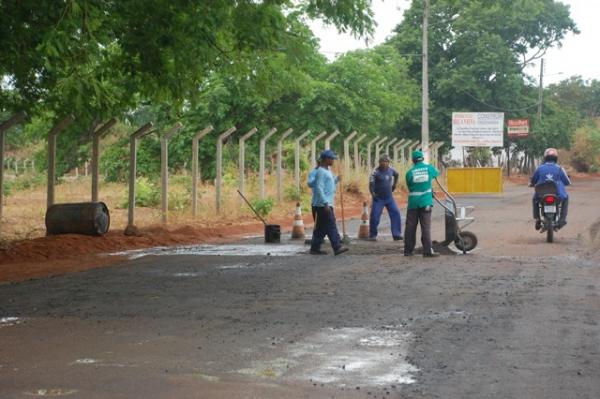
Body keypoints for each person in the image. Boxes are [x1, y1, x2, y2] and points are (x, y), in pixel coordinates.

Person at [309, 149, 349, 256]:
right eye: (331, 159)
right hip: (323, 205)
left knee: (321, 228)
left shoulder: (327, 171)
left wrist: (336, 180)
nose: (333, 161)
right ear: (326, 159)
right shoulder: (321, 172)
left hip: (325, 203)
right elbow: (319, 188)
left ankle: (314, 248)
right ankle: (337, 247)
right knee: (331, 224)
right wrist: (326, 203)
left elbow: (328, 185)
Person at [404, 149, 440, 257]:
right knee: (425, 227)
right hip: (426, 203)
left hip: (413, 203)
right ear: (422, 159)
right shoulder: (429, 168)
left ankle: (408, 251)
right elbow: (436, 173)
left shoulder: (409, 173)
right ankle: (427, 251)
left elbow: (410, 187)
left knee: (410, 227)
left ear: (413, 160)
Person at [530, 147, 571, 229]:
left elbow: (533, 180)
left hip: (541, 195)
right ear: (556, 158)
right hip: (557, 195)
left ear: (545, 157)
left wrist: (531, 184)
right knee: (566, 198)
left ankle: (538, 219)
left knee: (534, 200)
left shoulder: (539, 168)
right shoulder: (560, 169)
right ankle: (562, 220)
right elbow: (567, 182)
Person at [368, 154, 403, 241]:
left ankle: (397, 234)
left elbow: (397, 174)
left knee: (396, 213)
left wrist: (394, 185)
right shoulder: (375, 172)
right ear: (379, 162)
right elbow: (371, 184)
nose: (385, 163)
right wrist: (373, 193)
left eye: (387, 162)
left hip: (389, 198)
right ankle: (372, 235)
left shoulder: (391, 170)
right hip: (378, 199)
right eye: (383, 161)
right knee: (375, 216)